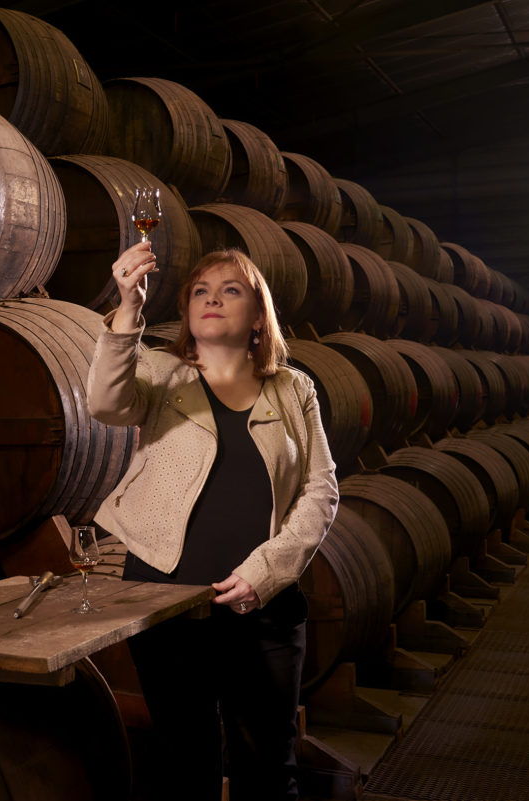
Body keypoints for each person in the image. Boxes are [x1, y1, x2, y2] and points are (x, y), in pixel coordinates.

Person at [87, 242, 338, 801]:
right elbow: (105, 404)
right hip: (164, 598)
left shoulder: (294, 388)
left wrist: (269, 570)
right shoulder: (157, 372)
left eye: (231, 290)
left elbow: (321, 490)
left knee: (269, 767)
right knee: (184, 763)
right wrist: (127, 309)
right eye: (200, 290)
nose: (212, 299)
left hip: (265, 607)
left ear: (257, 315)